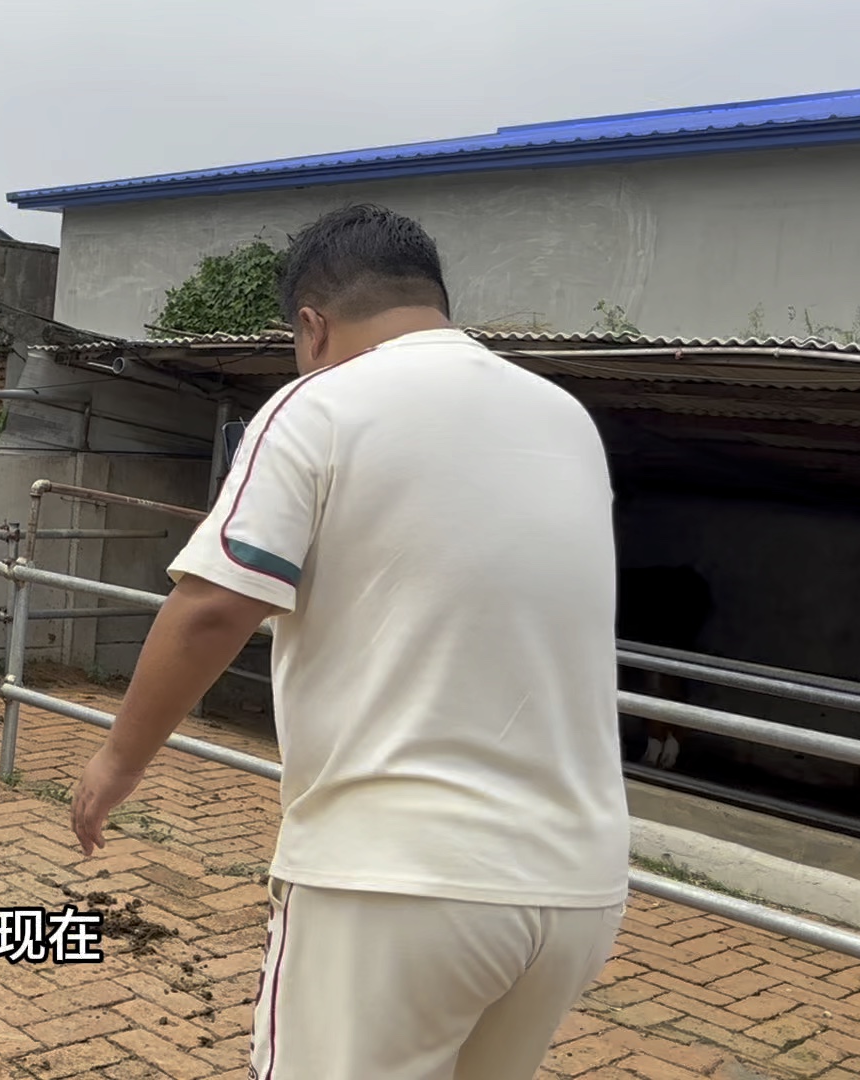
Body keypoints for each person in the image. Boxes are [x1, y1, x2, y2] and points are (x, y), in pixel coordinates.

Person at [69, 204, 630, 1080]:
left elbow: (216, 604)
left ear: (312, 324)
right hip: (577, 885)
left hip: (396, 877)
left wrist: (117, 762)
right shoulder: (565, 419)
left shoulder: (320, 403)